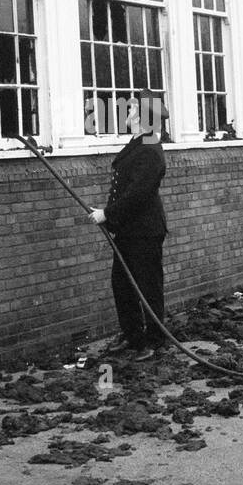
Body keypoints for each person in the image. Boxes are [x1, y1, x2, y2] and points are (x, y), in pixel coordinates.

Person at [91, 90, 169, 362]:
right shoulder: (138, 142)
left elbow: (138, 193)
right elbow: (125, 188)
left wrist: (108, 215)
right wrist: (110, 216)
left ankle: (155, 341)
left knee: (148, 286)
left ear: (144, 116)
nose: (128, 111)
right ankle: (133, 335)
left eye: (133, 108)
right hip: (128, 229)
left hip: (145, 231)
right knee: (122, 285)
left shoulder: (150, 148)